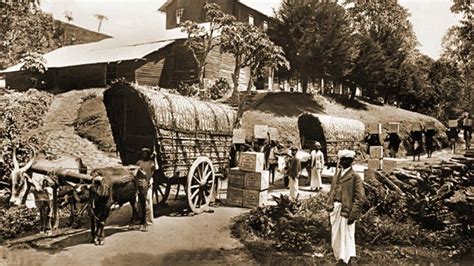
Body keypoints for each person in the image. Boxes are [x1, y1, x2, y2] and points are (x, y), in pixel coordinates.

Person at [326, 149, 365, 264]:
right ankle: (339, 257)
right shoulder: (337, 174)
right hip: (336, 208)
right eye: (341, 159)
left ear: (350, 161)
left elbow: (360, 198)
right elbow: (332, 191)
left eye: (345, 160)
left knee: (346, 235)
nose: (342, 162)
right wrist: (330, 204)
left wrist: (353, 214)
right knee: (336, 235)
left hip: (346, 209)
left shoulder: (355, 177)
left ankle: (345, 258)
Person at [136, 147, 156, 231]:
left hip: (148, 182)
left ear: (148, 154)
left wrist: (150, 180)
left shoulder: (151, 163)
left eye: (145, 153)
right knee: (139, 201)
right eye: (143, 153)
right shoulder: (139, 162)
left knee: (147, 201)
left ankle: (148, 221)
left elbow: (154, 171)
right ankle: (141, 218)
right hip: (140, 183)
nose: (144, 155)